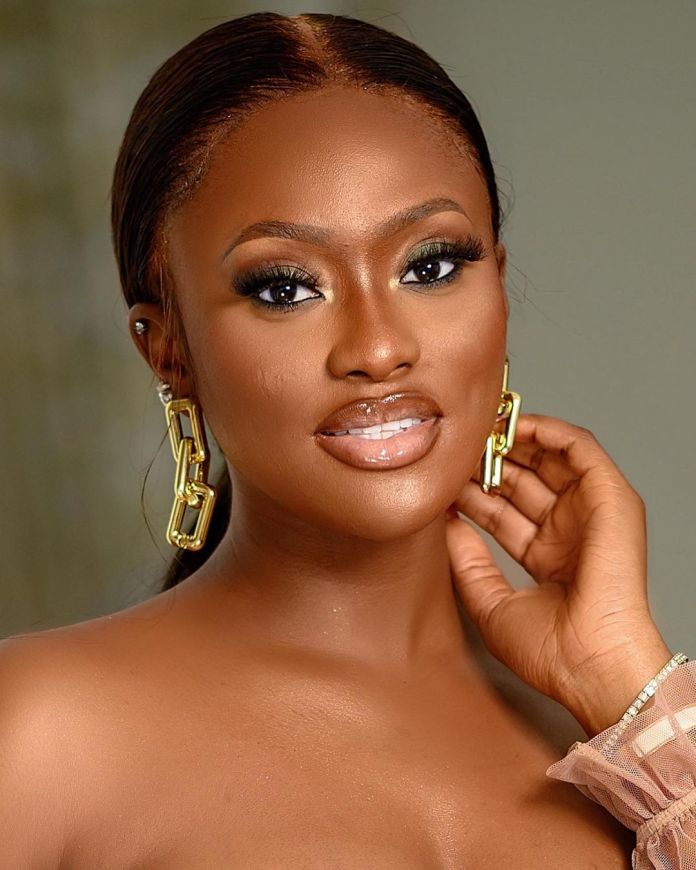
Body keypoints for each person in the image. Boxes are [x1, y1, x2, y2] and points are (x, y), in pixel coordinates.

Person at [1, 11, 695, 868]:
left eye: (430, 267)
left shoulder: (621, 752)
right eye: (285, 288)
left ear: (499, 289)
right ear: (168, 348)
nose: (379, 347)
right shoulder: (40, 735)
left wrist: (631, 687)